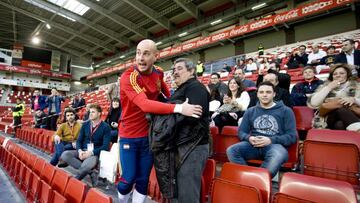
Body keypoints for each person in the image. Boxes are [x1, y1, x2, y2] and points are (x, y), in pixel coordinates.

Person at [117, 39, 203, 203]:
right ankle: (121, 200)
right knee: (128, 178)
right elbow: (144, 104)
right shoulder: (129, 77)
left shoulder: (158, 72)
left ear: (156, 56)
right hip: (129, 134)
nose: (141, 58)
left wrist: (178, 101)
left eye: (146, 53)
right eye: (138, 53)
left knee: (143, 180)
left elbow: (165, 92)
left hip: (151, 136)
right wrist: (178, 109)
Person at [150, 58, 210, 202]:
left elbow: (194, 115)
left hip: (193, 146)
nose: (175, 72)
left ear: (191, 71)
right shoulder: (181, 90)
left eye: (180, 68)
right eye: (174, 69)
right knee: (176, 191)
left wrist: (170, 115)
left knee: (187, 194)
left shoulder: (195, 87)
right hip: (180, 145)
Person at [226, 81, 297, 178]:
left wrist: (270, 140)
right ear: (257, 94)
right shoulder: (251, 111)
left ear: (274, 94)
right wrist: (249, 138)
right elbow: (241, 132)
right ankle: (248, 177)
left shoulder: (286, 111)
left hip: (274, 145)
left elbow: (292, 137)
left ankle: (258, 180)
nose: (264, 95)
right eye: (261, 92)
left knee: (278, 154)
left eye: (268, 92)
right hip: (253, 145)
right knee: (232, 150)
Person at [61, 104, 111, 186]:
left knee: (84, 167)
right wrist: (80, 151)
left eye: (93, 112)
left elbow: (105, 146)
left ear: (99, 113)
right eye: (90, 112)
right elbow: (79, 140)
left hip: (94, 154)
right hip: (83, 150)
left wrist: (90, 153)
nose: (90, 114)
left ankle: (71, 185)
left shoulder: (106, 127)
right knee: (65, 154)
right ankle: (91, 173)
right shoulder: (85, 125)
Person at [308, 64, 360, 131]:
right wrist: (329, 87)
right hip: (329, 118)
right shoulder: (324, 87)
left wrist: (354, 100)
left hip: (353, 116)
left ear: (347, 75)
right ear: (332, 77)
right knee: (341, 109)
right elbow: (313, 103)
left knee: (339, 125)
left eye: (342, 73)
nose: (338, 75)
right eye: (335, 74)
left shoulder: (357, 87)